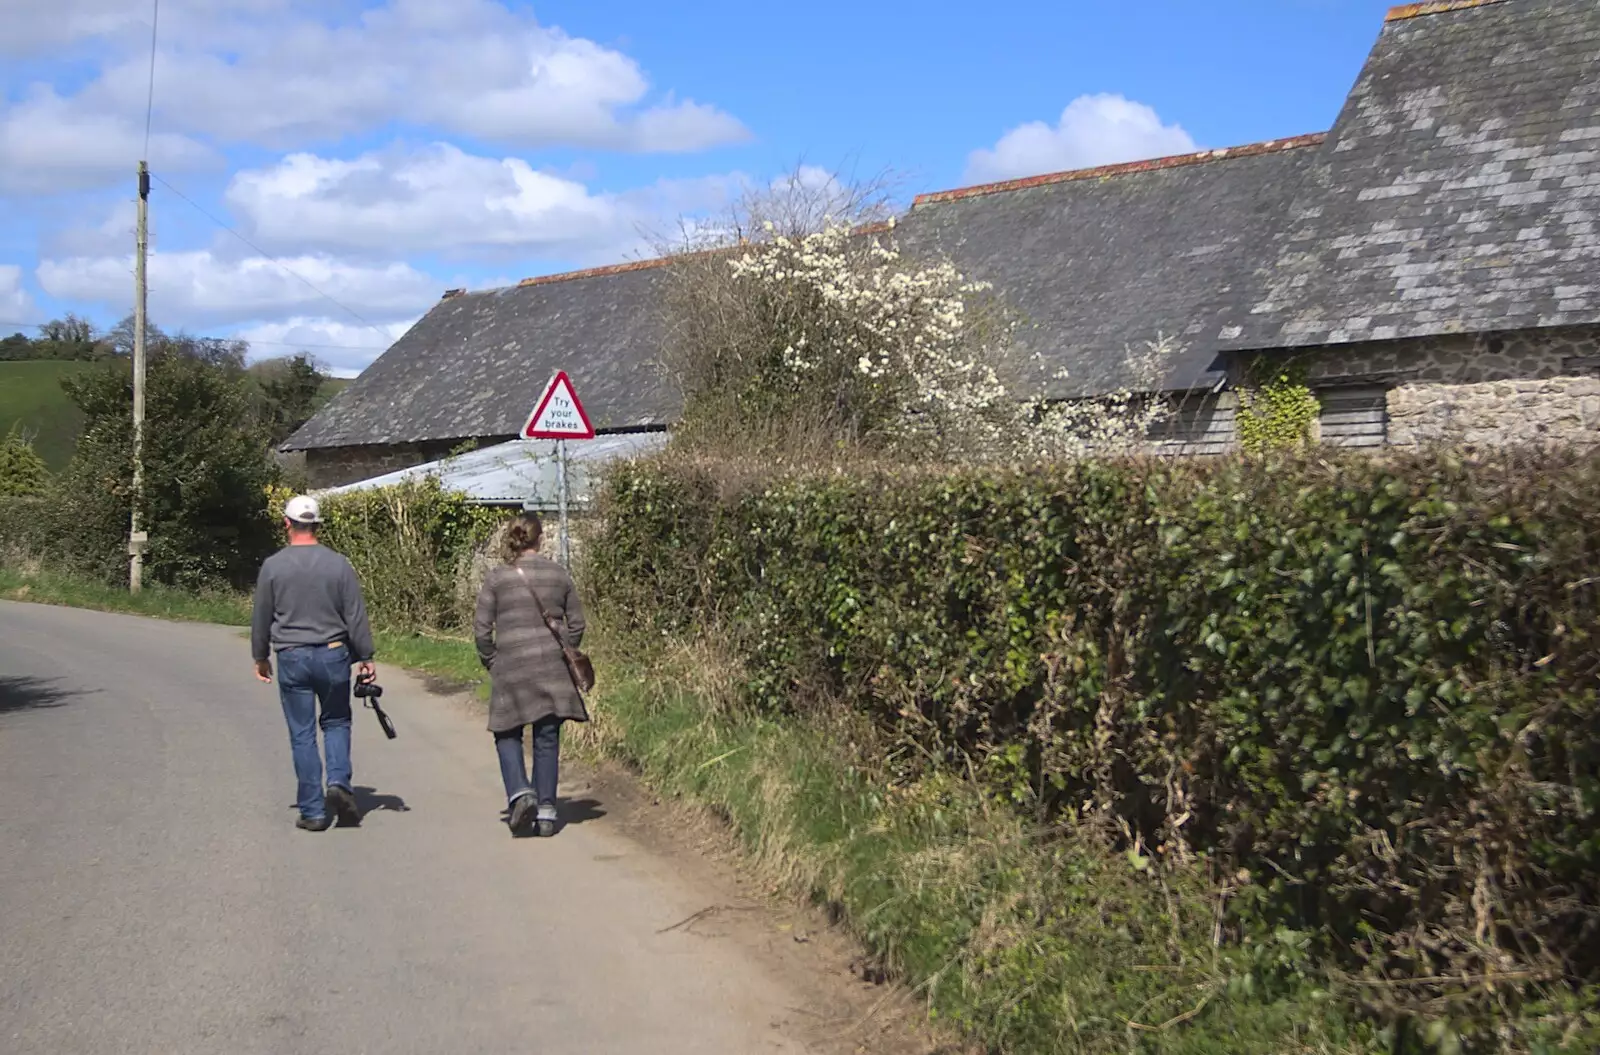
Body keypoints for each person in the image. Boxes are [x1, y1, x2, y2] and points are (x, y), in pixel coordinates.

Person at [251, 494, 376, 832]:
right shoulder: (339, 564)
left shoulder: (273, 566)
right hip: (334, 652)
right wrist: (365, 656)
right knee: (336, 722)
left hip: (292, 655)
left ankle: (313, 811)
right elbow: (355, 614)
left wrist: (260, 656)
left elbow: (261, 616)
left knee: (302, 733)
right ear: (317, 524)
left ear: (287, 524)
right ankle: (338, 782)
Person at [473, 511, 588, 837]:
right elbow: (577, 623)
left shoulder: (497, 578)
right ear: (541, 538)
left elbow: (482, 630)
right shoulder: (558, 575)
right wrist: (564, 650)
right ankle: (548, 813)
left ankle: (521, 793)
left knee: (506, 732)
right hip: (552, 669)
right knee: (546, 737)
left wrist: (492, 660)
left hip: (511, 668)